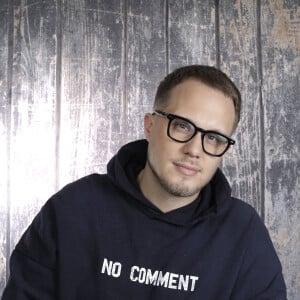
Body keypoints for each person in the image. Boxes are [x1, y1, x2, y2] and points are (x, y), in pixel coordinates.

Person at [2, 65, 286, 299]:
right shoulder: (73, 210)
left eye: (213, 137)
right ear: (150, 125)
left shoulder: (243, 235)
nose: (194, 149)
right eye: (182, 126)